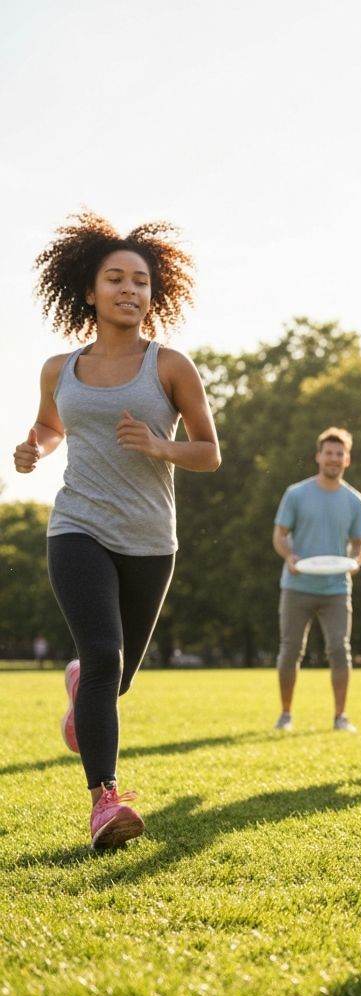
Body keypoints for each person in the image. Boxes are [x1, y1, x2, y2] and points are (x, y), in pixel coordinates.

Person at [13, 211, 220, 849]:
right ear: (90, 291)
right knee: (104, 655)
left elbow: (209, 451)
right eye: (116, 279)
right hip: (77, 525)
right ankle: (105, 800)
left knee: (116, 673)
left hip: (151, 537)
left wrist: (161, 447)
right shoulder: (58, 368)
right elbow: (52, 426)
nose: (130, 290)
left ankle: (80, 684)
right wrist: (35, 448)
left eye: (140, 281)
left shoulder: (171, 366)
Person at [272, 427, 361, 732]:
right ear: (318, 456)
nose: (334, 458)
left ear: (347, 459)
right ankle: (286, 715)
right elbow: (280, 535)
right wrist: (290, 557)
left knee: (340, 650)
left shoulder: (355, 501)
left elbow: (359, 543)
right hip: (297, 585)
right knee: (290, 650)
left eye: (339, 454)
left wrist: (356, 561)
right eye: (329, 453)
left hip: (336, 588)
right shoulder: (296, 493)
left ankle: (341, 717)